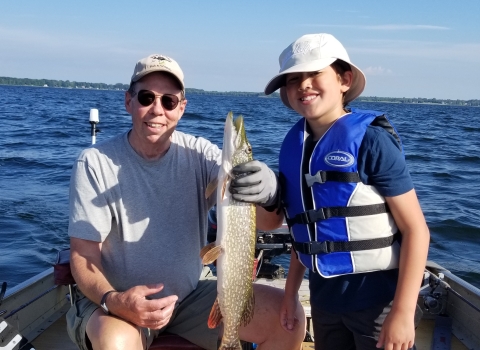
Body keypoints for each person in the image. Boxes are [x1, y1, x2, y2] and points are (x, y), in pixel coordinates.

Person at [66, 53, 305, 350]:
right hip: (117, 300)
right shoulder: (95, 163)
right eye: (146, 98)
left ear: (181, 109)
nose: (157, 110)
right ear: (129, 101)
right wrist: (113, 300)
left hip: (190, 293)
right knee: (117, 342)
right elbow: (82, 255)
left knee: (289, 316)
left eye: (168, 101)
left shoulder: (202, 155)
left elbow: (269, 222)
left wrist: (269, 194)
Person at [263, 33, 430, 350]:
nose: (304, 85)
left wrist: (403, 312)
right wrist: (290, 295)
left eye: (315, 73)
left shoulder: (372, 141)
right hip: (324, 301)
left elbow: (416, 230)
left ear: (344, 80)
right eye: (293, 79)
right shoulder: (293, 147)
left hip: (378, 302)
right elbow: (306, 231)